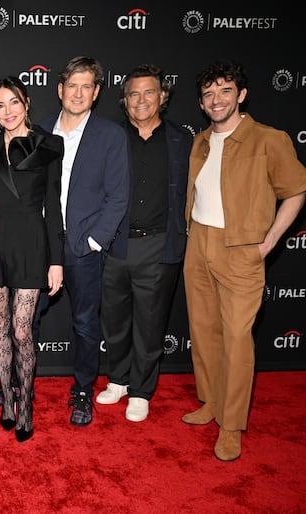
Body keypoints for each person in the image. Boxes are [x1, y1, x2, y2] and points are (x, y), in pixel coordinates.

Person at [182, 59, 306, 461]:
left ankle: (232, 425)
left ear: (241, 95)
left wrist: (268, 242)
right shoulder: (200, 141)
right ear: (201, 103)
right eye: (209, 94)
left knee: (237, 339)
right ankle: (212, 402)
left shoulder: (269, 139)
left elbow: (296, 190)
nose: (216, 100)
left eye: (224, 91)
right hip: (198, 242)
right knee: (204, 331)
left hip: (241, 249)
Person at [95, 64, 192, 423]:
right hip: (115, 243)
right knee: (115, 319)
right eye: (133, 93)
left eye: (149, 92)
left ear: (162, 97)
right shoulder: (110, 137)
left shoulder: (183, 141)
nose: (141, 100)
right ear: (124, 100)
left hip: (158, 243)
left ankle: (140, 390)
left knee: (150, 323)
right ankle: (118, 380)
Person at [40, 56, 130, 426]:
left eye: (86, 86)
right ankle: (18, 382)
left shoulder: (110, 135)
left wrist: (94, 242)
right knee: (26, 319)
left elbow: (118, 197)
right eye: (71, 85)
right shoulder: (40, 132)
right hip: (42, 246)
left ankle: (82, 391)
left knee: (85, 324)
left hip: (84, 249)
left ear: (95, 93)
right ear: (60, 90)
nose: (77, 93)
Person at [0, 77, 64, 442]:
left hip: (32, 243)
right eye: (0, 106)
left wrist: (56, 260)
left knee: (21, 329)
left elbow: (54, 208)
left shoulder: (49, 146)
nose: (8, 112)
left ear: (26, 101)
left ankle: (26, 402)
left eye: (13, 102)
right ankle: (7, 403)